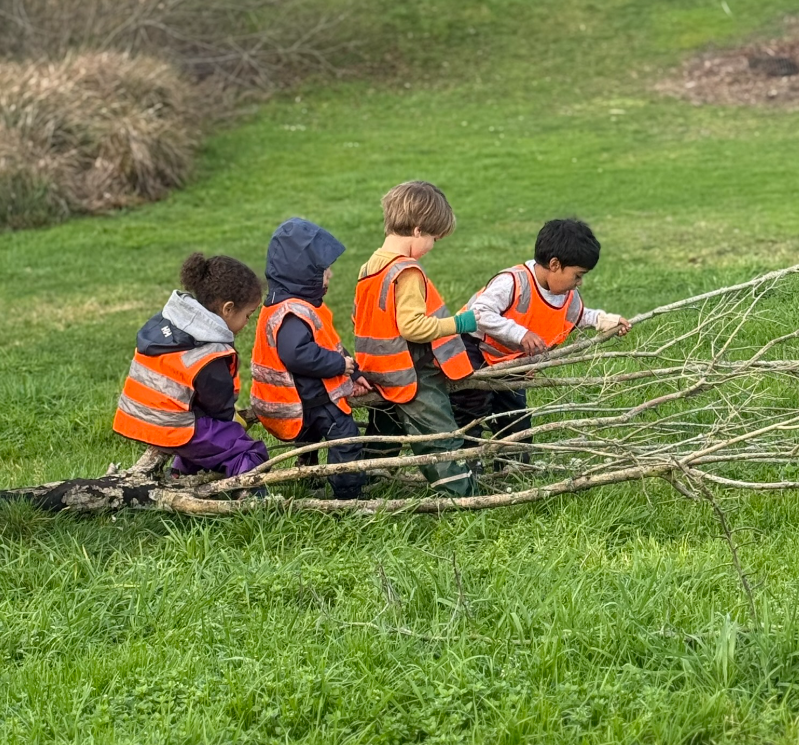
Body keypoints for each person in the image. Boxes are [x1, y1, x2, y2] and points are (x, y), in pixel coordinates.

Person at [450, 218, 631, 467]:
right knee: (471, 409)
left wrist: (605, 320)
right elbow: (479, 313)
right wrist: (520, 334)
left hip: (512, 365)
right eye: (577, 275)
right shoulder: (513, 282)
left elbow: (579, 316)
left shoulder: (567, 296)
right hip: (473, 350)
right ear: (555, 264)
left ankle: (513, 467)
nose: (579, 282)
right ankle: (465, 465)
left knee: (514, 417)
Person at [353, 180, 480, 496]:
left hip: (378, 369)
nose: (433, 245)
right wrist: (459, 323)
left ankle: (364, 483)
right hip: (412, 371)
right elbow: (412, 327)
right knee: (441, 437)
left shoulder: (370, 267)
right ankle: (464, 498)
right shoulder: (406, 271)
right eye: (435, 238)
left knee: (386, 428)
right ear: (419, 230)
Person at [113, 253, 268, 477]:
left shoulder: (170, 321)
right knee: (245, 449)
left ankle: (181, 477)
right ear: (228, 308)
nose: (247, 323)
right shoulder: (209, 351)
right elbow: (219, 408)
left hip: (137, 417)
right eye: (248, 315)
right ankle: (252, 497)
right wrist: (234, 421)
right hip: (171, 425)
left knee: (206, 438)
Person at [250, 218, 369, 500]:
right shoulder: (291, 313)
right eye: (325, 271)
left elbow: (329, 344)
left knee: (312, 439)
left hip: (303, 397)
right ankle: (349, 495)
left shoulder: (298, 307)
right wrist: (339, 366)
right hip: (308, 399)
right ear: (306, 274)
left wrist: (353, 374)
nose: (331, 276)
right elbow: (298, 355)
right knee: (346, 439)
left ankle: (308, 474)